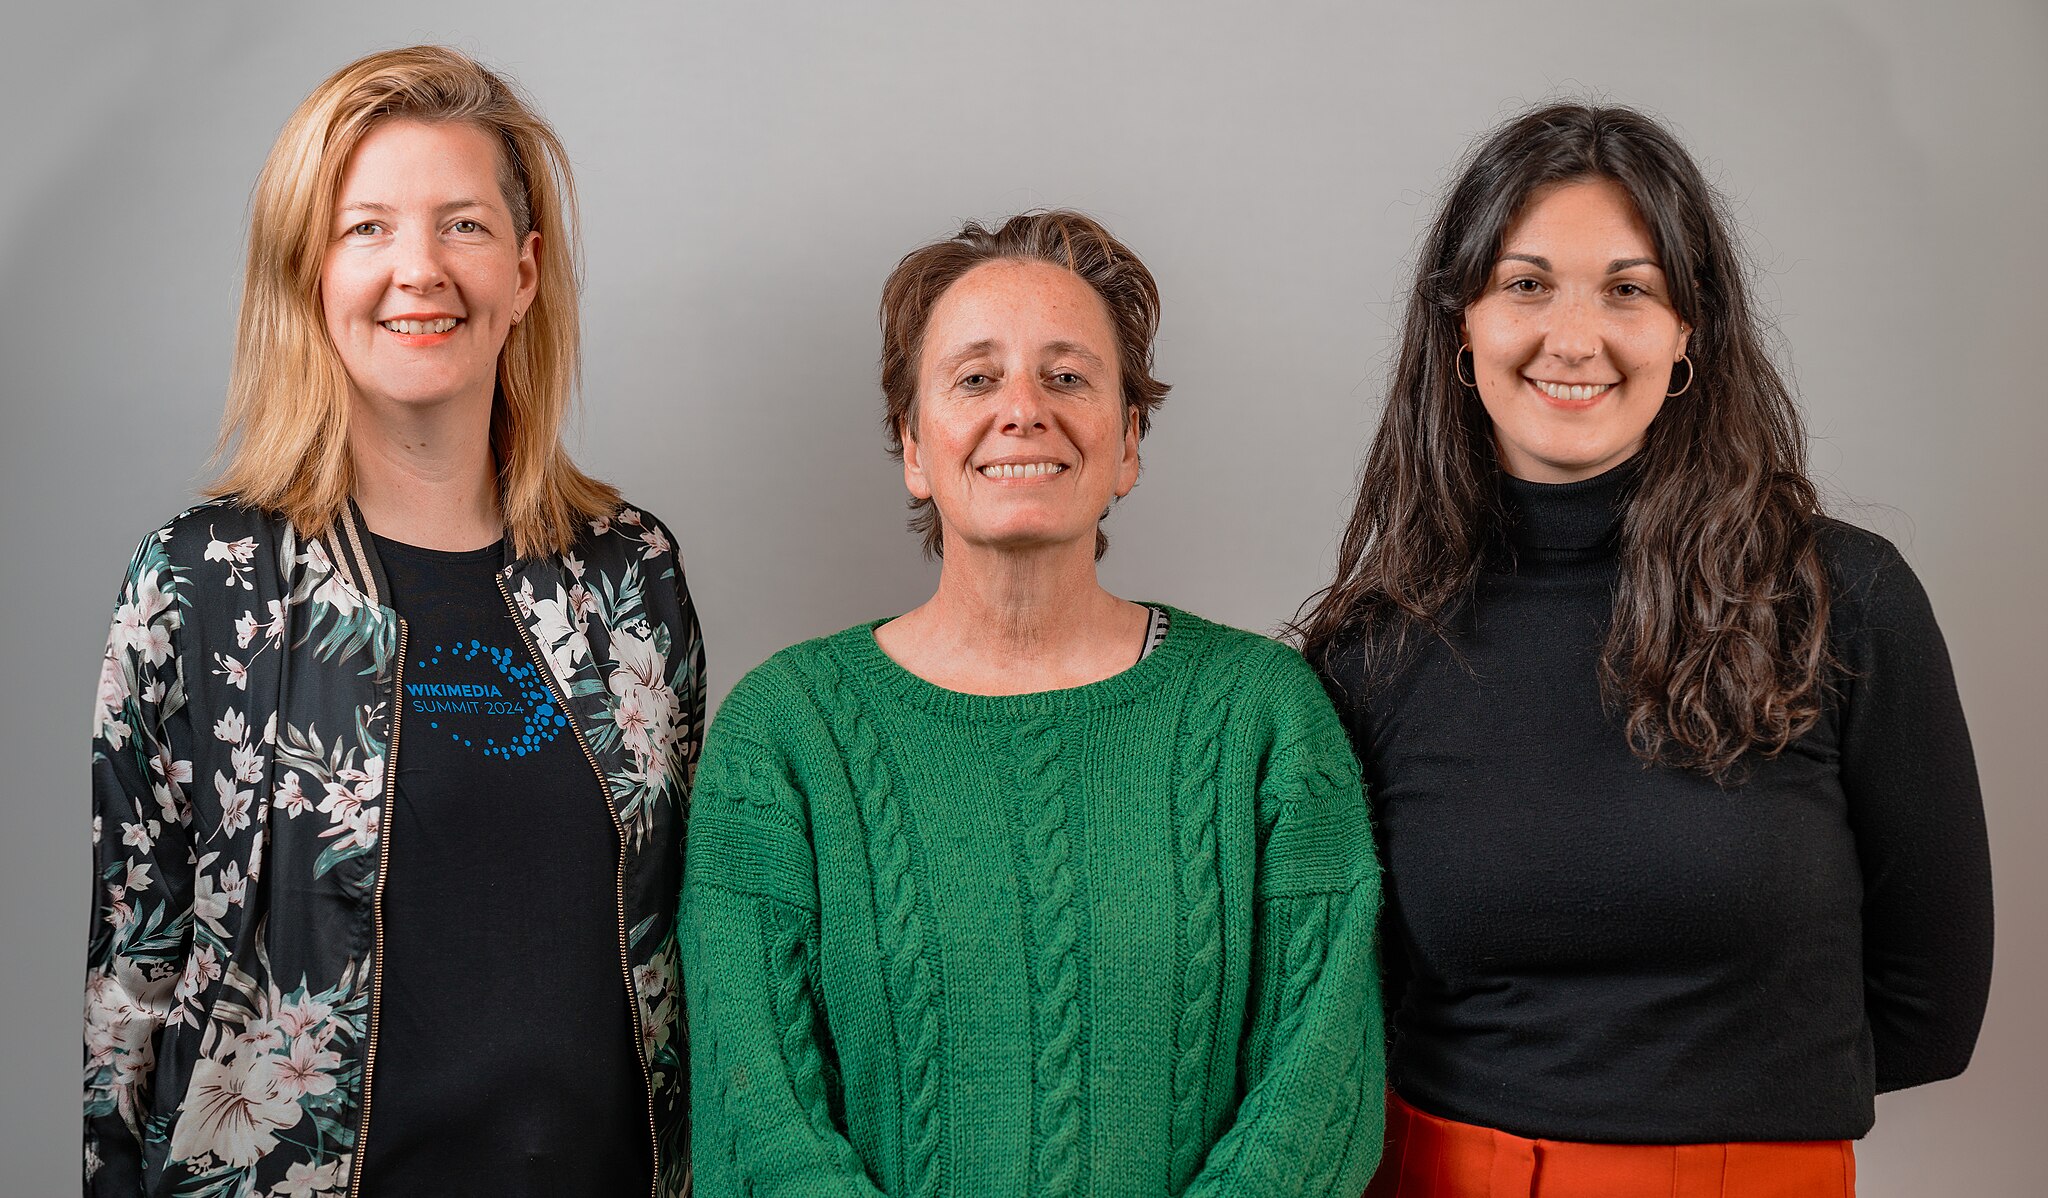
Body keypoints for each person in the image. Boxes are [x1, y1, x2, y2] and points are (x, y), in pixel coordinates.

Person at [1296, 103, 1994, 1197]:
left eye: (1627, 288)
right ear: (1458, 324)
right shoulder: (1372, 648)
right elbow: (1343, 1007)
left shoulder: (1840, 599)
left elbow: (1929, 1010)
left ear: (1687, 332)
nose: (1571, 338)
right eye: (1525, 284)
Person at [84, 46, 702, 1197]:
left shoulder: (629, 577)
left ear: (524, 273)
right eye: (366, 228)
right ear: (308, 273)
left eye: (461, 225)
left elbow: (677, 941)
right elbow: (134, 970)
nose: (419, 270)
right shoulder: (201, 583)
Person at [680, 210, 1383, 1197]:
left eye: (1066, 376)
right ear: (914, 445)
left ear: (1127, 441)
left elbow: (1316, 1095)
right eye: (975, 377)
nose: (1023, 409)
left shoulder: (1266, 720)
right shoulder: (782, 737)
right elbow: (759, 1113)